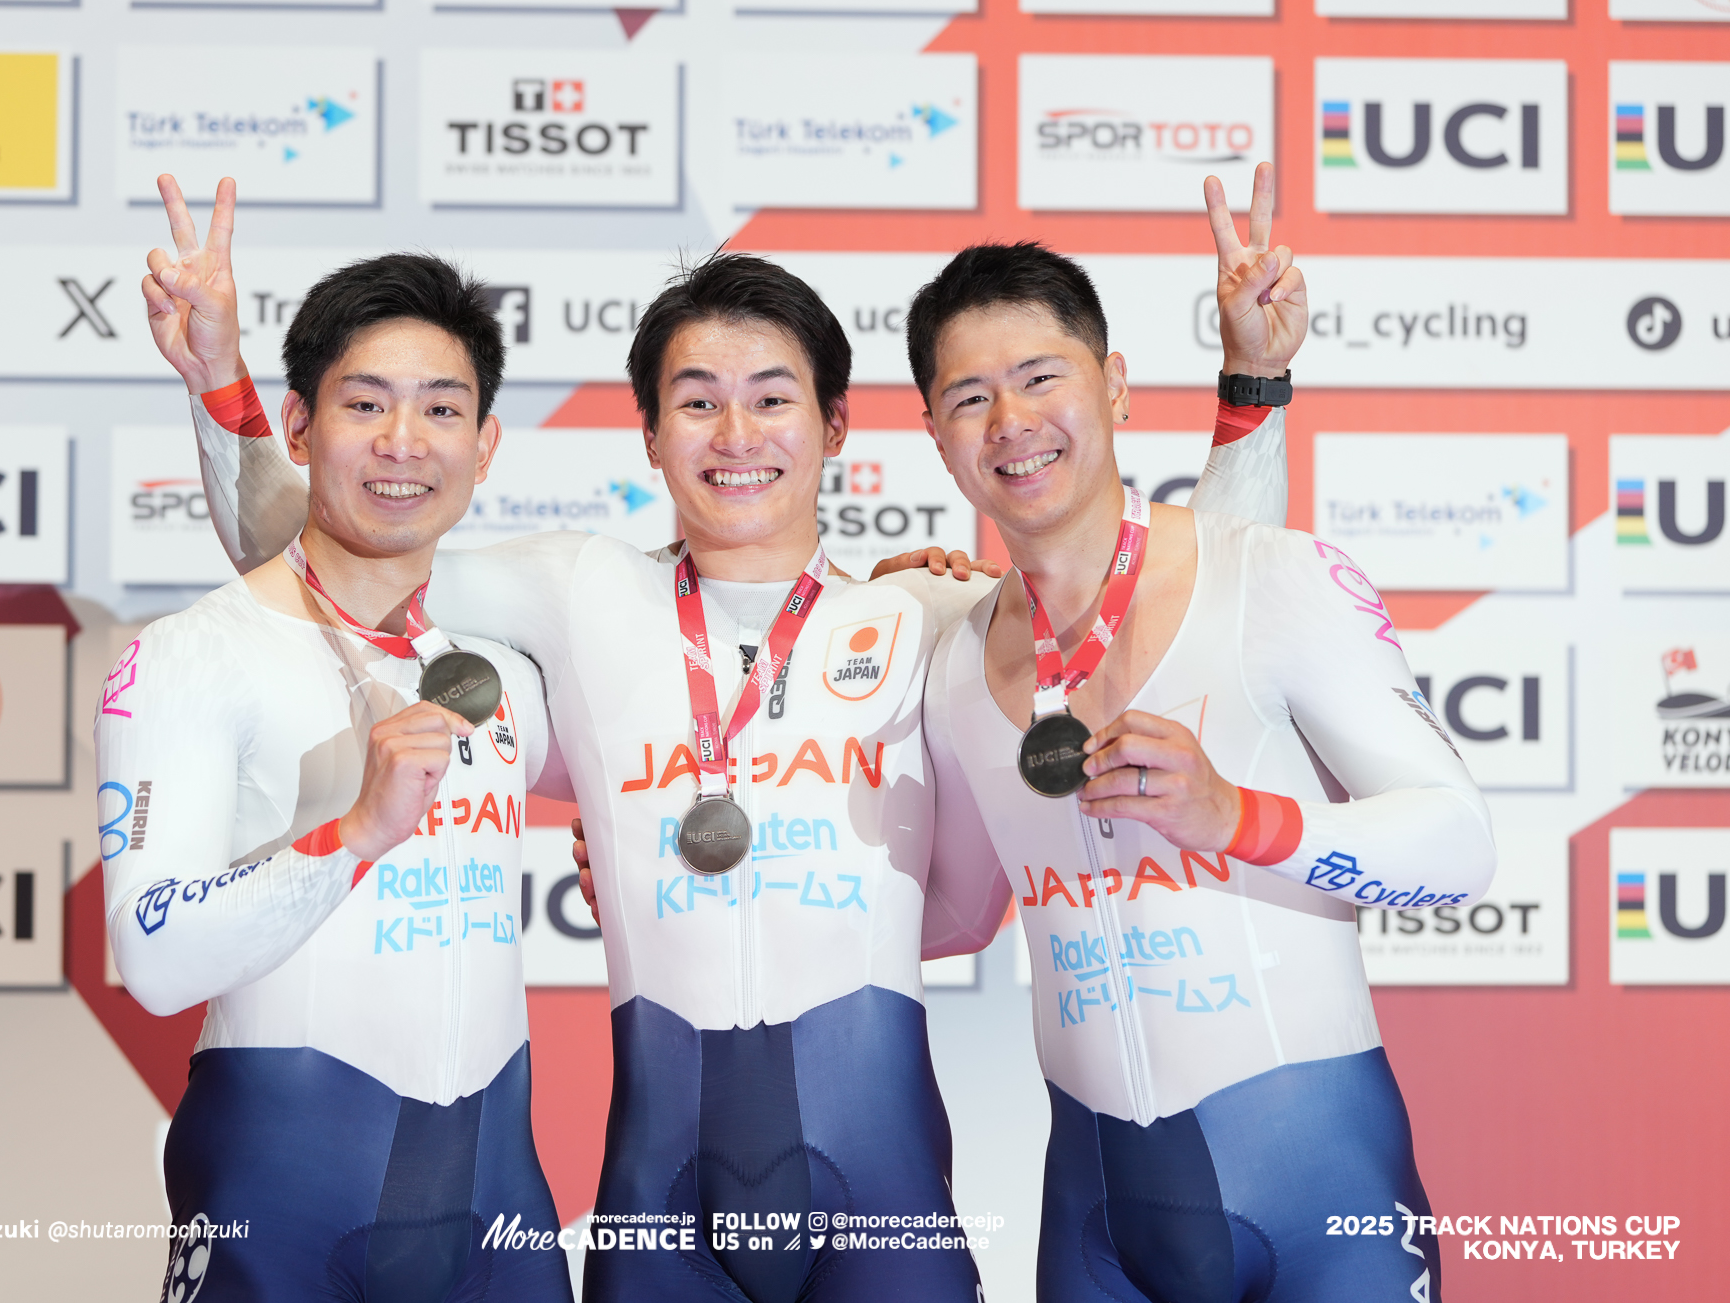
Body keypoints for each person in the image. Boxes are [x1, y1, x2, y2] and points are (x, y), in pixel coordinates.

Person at [142, 167, 1292, 1303]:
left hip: (885, 1212)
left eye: (773, 398)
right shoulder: (575, 593)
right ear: (648, 434)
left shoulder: (933, 617)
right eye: (695, 401)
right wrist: (219, 386)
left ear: (836, 424)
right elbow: (341, 538)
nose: (735, 433)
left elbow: (1187, 606)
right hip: (658, 1218)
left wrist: (1254, 387)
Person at [912, 181, 1495, 1302]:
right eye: (968, 398)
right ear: (937, 439)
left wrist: (1238, 816)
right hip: (1096, 1220)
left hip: (1321, 1192)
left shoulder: (1273, 577)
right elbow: (957, 911)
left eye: (1040, 378)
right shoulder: (949, 657)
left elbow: (1460, 841)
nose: (1011, 423)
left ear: (1115, 384)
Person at [104, 231, 572, 1303]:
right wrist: (354, 829)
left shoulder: (502, 669)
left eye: (441, 410)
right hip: (279, 1194)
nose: (404, 441)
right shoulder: (191, 653)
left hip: (496, 1209)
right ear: (303, 427)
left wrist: (917, 593)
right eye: (365, 405)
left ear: (486, 442)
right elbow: (156, 955)